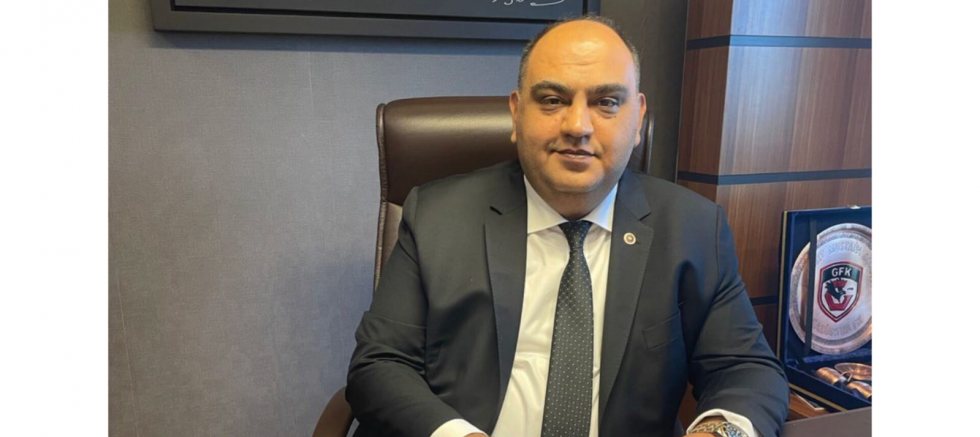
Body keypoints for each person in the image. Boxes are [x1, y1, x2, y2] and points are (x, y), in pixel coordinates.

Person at [347, 15, 789, 437]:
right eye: (552, 100)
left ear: (638, 118)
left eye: (606, 102)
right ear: (517, 112)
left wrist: (719, 430)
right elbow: (380, 365)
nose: (578, 126)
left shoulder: (693, 228)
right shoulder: (438, 216)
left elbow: (746, 370)